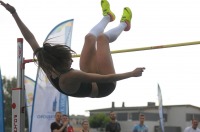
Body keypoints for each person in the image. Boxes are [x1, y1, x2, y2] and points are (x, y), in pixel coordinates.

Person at [0, 0, 145, 98]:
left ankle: (107, 17)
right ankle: (125, 24)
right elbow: (108, 78)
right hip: (105, 86)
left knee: (89, 38)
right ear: (62, 64)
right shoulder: (70, 76)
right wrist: (131, 74)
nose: (71, 60)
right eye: (68, 60)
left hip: (90, 77)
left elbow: (30, 38)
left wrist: (14, 13)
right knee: (102, 39)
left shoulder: (47, 64)